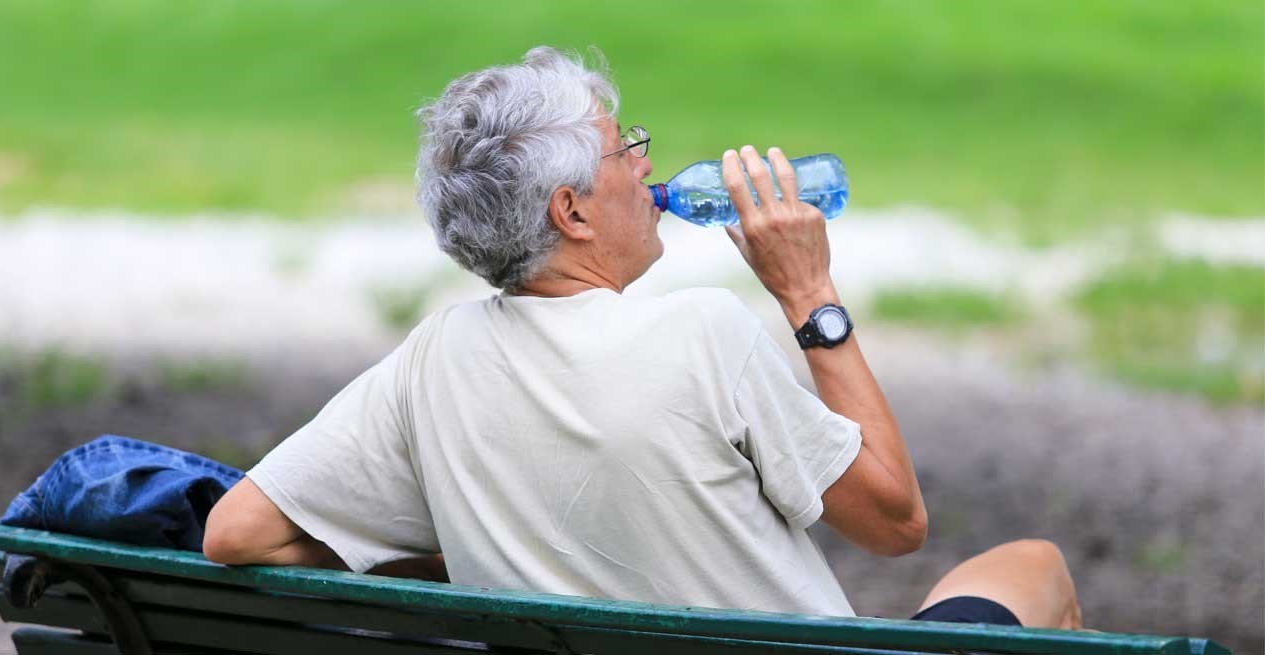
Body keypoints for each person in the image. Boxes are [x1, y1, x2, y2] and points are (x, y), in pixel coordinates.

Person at [203, 46, 1082, 629]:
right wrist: (810, 293)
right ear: (571, 211)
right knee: (1033, 565)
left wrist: (466, 556)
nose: (646, 163)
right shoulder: (705, 333)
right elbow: (895, 522)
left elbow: (236, 532)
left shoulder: (429, 362)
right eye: (622, 147)